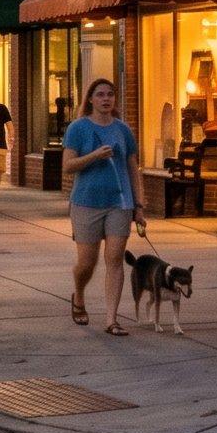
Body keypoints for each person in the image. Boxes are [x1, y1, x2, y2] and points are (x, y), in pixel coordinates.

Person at [63, 77, 144, 335]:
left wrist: (139, 206)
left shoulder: (123, 130)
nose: (106, 99)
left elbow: (133, 168)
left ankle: (112, 319)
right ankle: (79, 295)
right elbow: (67, 167)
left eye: (110, 94)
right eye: (100, 95)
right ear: (90, 99)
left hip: (119, 203)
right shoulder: (78, 128)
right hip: (86, 202)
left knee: (115, 259)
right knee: (87, 263)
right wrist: (94, 156)